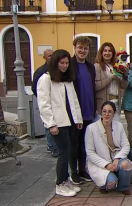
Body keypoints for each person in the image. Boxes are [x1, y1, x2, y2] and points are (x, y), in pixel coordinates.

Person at [37, 49, 83, 197]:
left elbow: (74, 101)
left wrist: (78, 119)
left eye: (66, 63)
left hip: (70, 121)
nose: (64, 66)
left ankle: (66, 179)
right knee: (63, 154)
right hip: (58, 123)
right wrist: (51, 124)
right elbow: (44, 104)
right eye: (61, 63)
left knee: (69, 151)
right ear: (55, 63)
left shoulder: (67, 79)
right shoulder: (46, 79)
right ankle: (59, 183)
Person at [85, 101, 132, 195]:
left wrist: (117, 158)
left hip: (115, 157)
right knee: (111, 183)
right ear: (101, 112)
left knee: (126, 164)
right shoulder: (91, 128)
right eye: (104, 111)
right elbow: (90, 152)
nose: (106, 114)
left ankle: (123, 186)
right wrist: (106, 164)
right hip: (100, 161)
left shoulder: (118, 125)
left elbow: (126, 145)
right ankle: (106, 183)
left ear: (114, 113)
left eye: (110, 112)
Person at [70, 36, 97, 184]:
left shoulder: (90, 67)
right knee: (74, 143)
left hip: (88, 111)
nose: (82, 50)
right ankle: (73, 172)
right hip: (75, 113)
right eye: (80, 47)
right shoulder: (69, 65)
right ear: (74, 48)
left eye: (85, 48)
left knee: (85, 143)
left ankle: (82, 170)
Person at [32, 49, 58, 157]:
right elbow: (35, 88)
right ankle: (51, 147)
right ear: (44, 57)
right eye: (49, 56)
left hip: (56, 102)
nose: (51, 57)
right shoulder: (40, 72)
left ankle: (54, 145)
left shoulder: (58, 69)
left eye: (53, 55)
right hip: (47, 102)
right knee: (48, 125)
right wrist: (45, 99)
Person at [94, 42, 128, 121]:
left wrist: (125, 76)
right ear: (101, 53)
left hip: (116, 102)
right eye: (105, 51)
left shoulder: (117, 66)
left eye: (109, 51)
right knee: (103, 131)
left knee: (115, 129)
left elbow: (124, 86)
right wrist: (111, 78)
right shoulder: (97, 66)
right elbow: (96, 85)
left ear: (113, 53)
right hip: (103, 103)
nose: (107, 53)